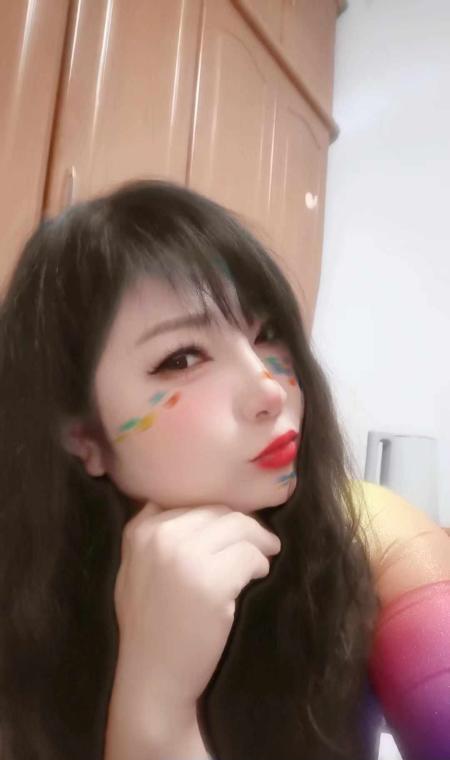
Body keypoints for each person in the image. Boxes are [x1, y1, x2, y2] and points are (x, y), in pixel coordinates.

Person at [0, 180, 448, 760]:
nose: (269, 389)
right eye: (182, 357)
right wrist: (156, 695)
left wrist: (158, 720)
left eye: (267, 334)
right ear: (83, 436)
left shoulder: (370, 533)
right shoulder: (23, 610)